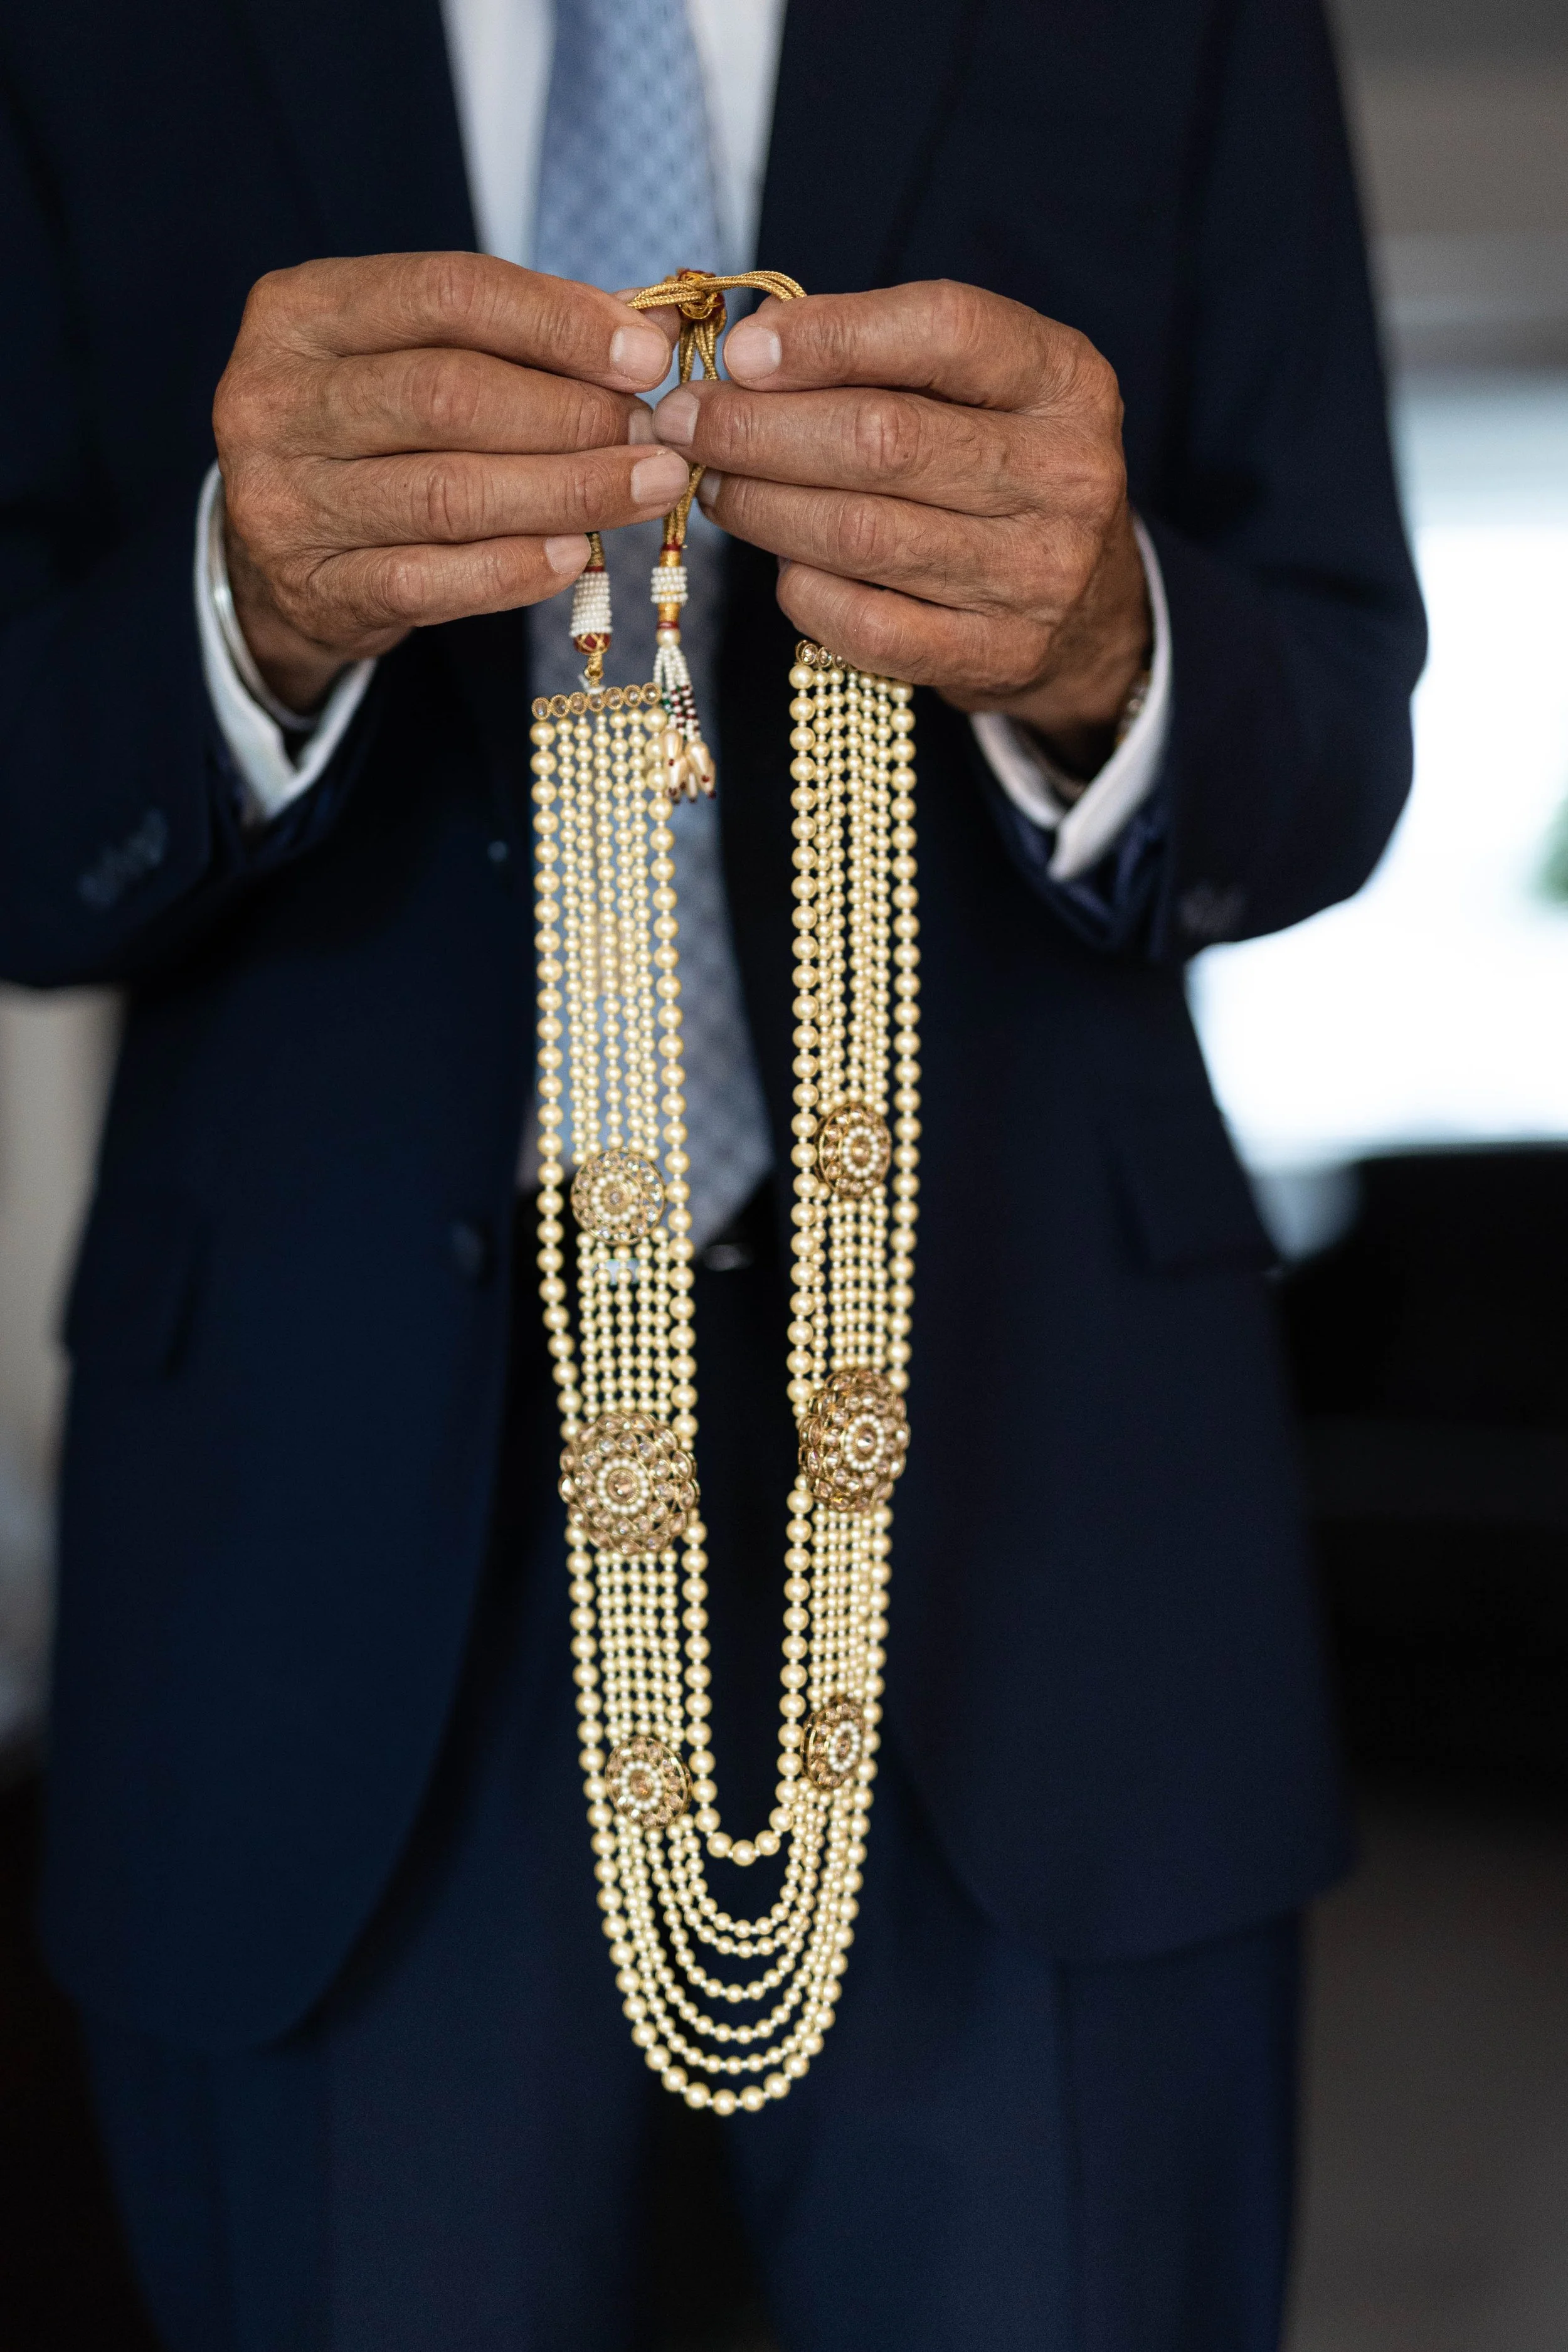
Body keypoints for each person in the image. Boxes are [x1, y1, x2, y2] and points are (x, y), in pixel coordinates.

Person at [0, 0, 1425, 2343]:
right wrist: (233, 614)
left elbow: (1334, 722)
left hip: (1037, 1516)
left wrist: (1104, 642)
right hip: (323, 1564)